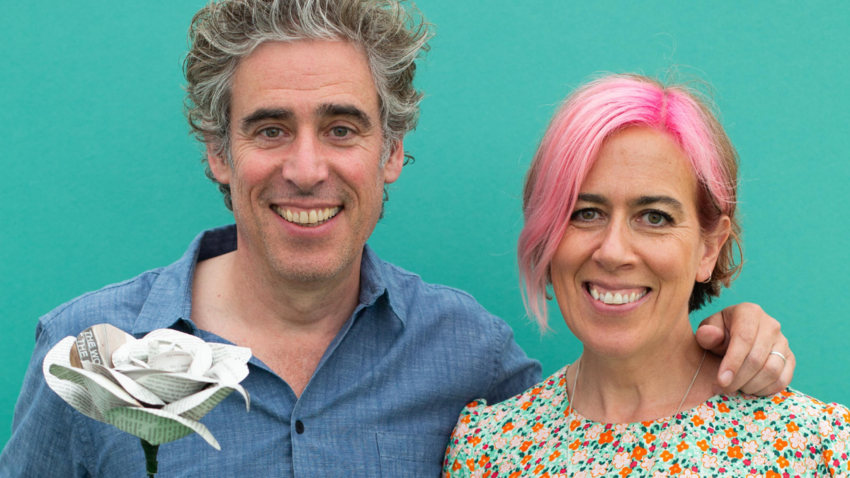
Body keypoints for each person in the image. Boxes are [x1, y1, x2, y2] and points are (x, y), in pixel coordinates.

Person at [1, 1, 792, 476]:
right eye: (270, 128)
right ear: (219, 151)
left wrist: (720, 335)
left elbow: (602, 414)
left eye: (342, 127)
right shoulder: (83, 353)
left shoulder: (472, 364)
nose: (306, 169)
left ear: (391, 153)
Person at [443, 74, 847, 478]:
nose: (614, 251)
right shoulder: (486, 449)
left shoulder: (816, 446)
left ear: (710, 246)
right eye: (586, 213)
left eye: (655, 217)